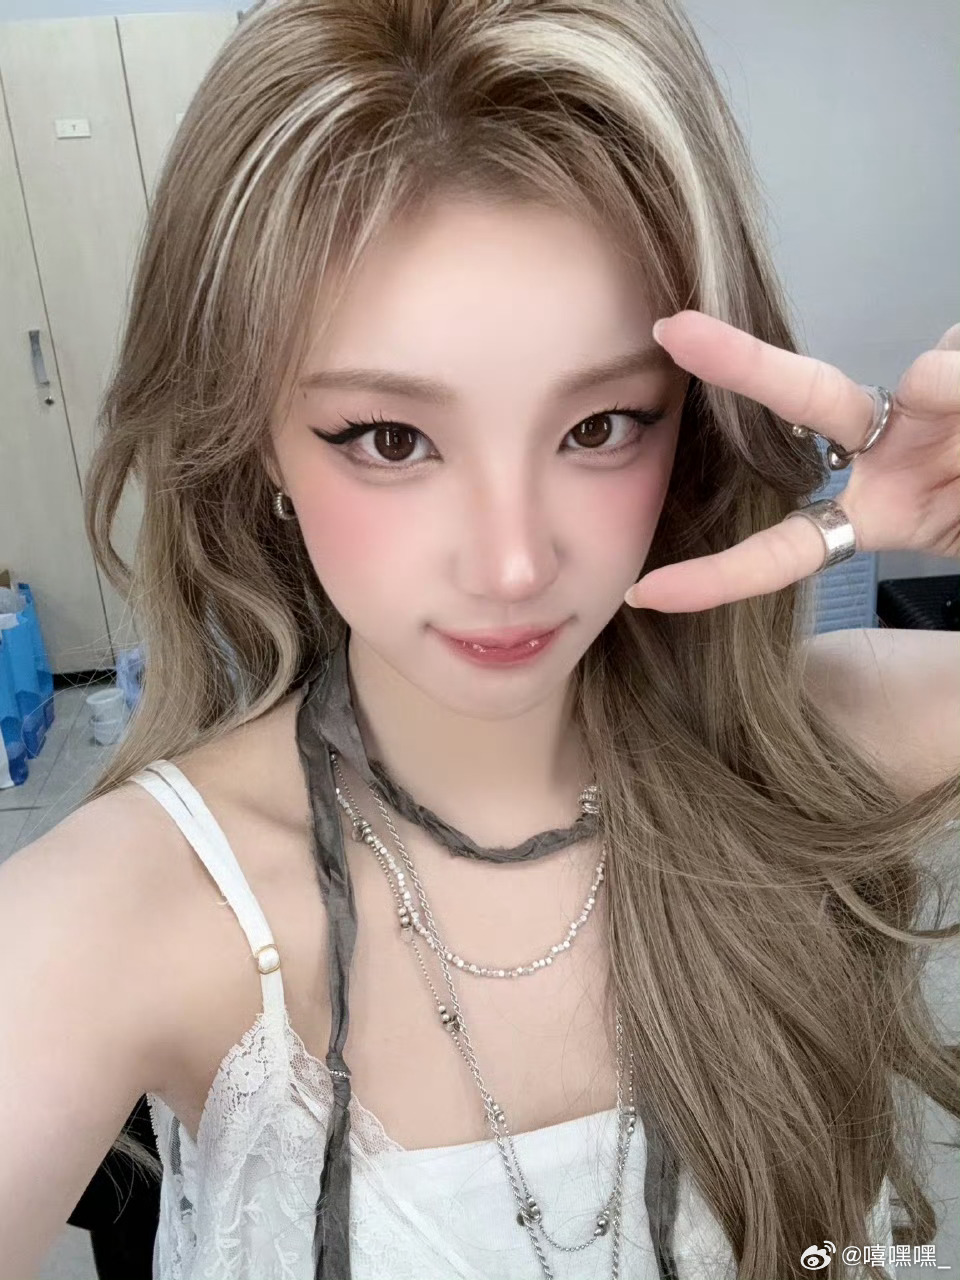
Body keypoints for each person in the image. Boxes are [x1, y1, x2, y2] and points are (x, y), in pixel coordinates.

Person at [1, 0, 958, 1277]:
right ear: (260, 440)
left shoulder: (825, 747)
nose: (514, 564)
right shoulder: (124, 911)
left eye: (602, 424)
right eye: (391, 438)